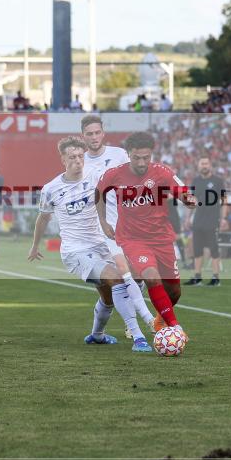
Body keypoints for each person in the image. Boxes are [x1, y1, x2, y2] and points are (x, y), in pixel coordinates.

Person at [29, 136, 152, 352]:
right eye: (72, 157)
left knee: (111, 295)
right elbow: (43, 218)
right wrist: (35, 245)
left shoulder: (96, 177)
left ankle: (97, 335)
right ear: (63, 160)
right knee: (117, 280)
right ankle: (138, 337)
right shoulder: (51, 189)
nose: (77, 160)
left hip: (102, 244)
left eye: (80, 156)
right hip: (76, 250)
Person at [96, 131, 196, 336]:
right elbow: (98, 194)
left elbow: (183, 191)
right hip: (132, 239)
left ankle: (162, 317)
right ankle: (175, 328)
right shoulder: (114, 174)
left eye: (146, 157)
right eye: (136, 157)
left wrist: (188, 200)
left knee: (174, 291)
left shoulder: (162, 172)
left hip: (161, 237)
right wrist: (103, 221)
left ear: (151, 155)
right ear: (129, 154)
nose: (141, 162)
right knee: (151, 276)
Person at [80, 115, 157, 332]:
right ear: (83, 136)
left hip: (123, 225)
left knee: (135, 273)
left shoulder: (119, 155)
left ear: (103, 133)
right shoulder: (80, 161)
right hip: (92, 231)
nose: (94, 137)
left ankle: (135, 324)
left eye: (97, 132)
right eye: (89, 133)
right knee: (107, 290)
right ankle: (99, 332)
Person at [184, 157, 228, 287]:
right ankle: (197, 278)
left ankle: (215, 278)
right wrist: (187, 218)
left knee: (214, 250)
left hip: (213, 220)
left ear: (210, 165)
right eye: (202, 163)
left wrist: (224, 218)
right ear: (198, 166)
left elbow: (224, 200)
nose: (204, 166)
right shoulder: (195, 181)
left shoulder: (217, 181)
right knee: (197, 250)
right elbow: (191, 201)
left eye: (206, 163)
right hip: (198, 220)